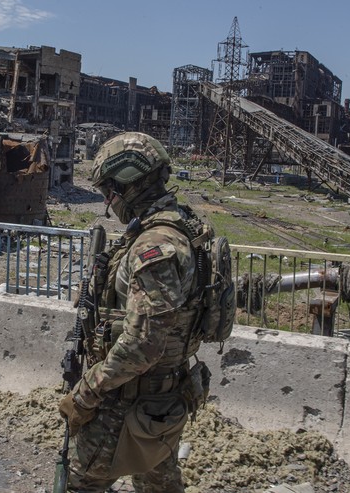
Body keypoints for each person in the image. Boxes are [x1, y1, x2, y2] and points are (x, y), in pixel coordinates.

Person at [58, 132, 209, 493]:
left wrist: (86, 393)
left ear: (127, 184)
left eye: (109, 193)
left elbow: (144, 342)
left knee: (82, 483)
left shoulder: (154, 245)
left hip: (126, 401)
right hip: (166, 395)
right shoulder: (184, 226)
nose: (109, 203)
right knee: (159, 484)